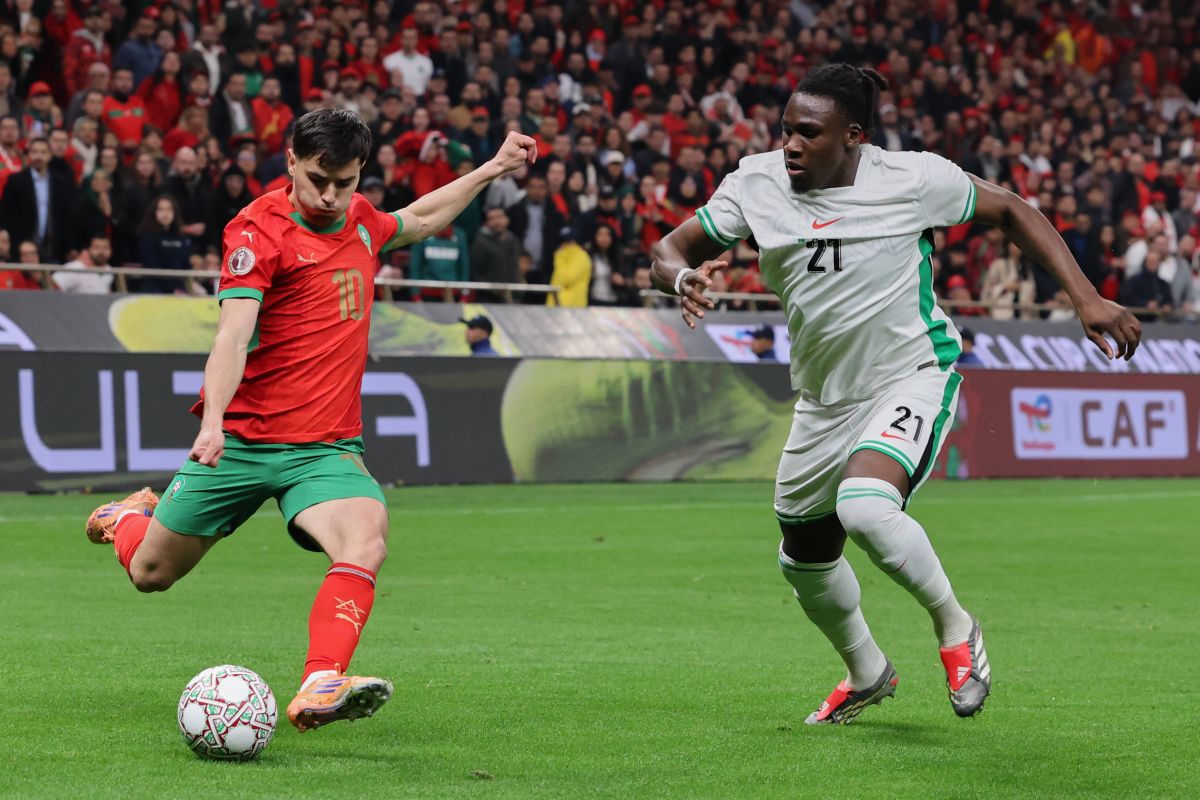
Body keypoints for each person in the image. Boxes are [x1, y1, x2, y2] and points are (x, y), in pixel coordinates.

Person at [649, 64, 1141, 725]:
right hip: (824, 401)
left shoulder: (912, 180)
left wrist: (1085, 298)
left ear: (853, 136)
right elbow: (669, 249)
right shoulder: (757, 185)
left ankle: (956, 628)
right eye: (786, 129)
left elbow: (1012, 208)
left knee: (866, 509)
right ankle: (867, 672)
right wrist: (681, 279)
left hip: (910, 373)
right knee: (803, 563)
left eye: (809, 133)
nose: (791, 144)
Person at [82, 108, 536, 733]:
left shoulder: (363, 221)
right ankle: (128, 517)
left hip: (323, 450)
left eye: (344, 182)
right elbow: (233, 336)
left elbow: (423, 216)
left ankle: (322, 679)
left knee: (366, 536)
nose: (329, 195)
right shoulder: (254, 232)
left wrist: (493, 168)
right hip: (239, 442)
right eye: (318, 178)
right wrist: (211, 419)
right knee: (150, 573)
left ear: (359, 175)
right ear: (291, 161)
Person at [138, 194, 193, 293]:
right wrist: (173, 289)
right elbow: (152, 267)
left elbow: (186, 265)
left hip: (180, 288)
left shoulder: (181, 237)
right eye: (161, 209)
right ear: (154, 212)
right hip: (155, 288)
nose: (165, 214)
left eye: (169, 209)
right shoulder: (148, 237)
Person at [470, 205, 522, 301]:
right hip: (487, 299)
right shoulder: (481, 242)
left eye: (500, 217)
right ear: (486, 222)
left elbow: (515, 269)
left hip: (512, 297)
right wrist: (495, 289)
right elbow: (474, 274)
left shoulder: (513, 240)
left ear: (507, 219)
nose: (496, 222)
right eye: (491, 219)